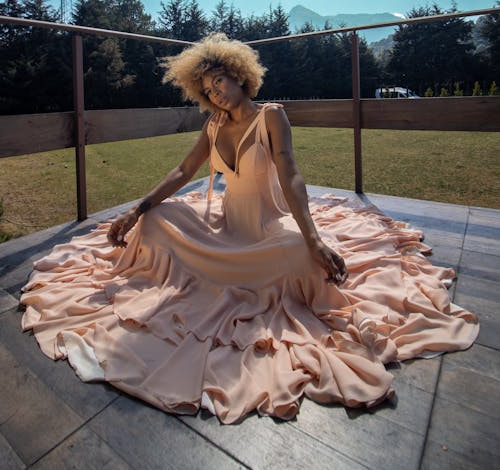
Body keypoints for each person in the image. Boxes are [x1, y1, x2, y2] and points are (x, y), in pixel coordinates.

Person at [21, 34, 478, 424]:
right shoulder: (213, 123)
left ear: (240, 75)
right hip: (222, 225)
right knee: (159, 218)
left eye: (220, 80)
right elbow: (184, 171)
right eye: (207, 88)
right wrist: (137, 208)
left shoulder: (271, 116)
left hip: (265, 228)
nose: (216, 92)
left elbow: (291, 175)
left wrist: (315, 237)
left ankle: (245, 268)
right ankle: (211, 267)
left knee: (301, 252)